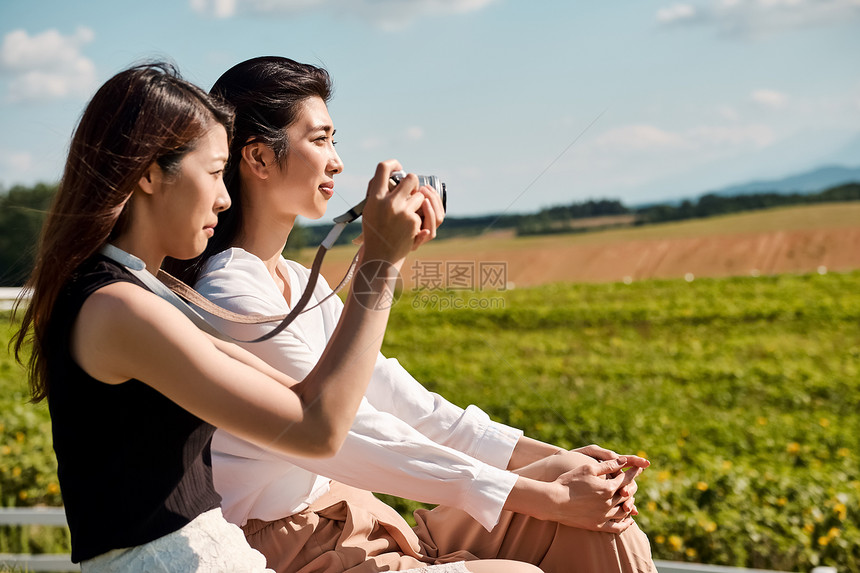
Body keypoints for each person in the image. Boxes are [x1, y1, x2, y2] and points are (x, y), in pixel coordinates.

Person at [11, 61, 527, 573]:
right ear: (149, 174)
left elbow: (308, 401)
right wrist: (377, 265)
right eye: (214, 173)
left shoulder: (142, 290)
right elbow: (319, 429)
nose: (224, 196)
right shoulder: (120, 308)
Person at [171, 56, 657, 573]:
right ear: (259, 159)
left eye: (336, 141)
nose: (336, 162)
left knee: (608, 526)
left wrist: (547, 460)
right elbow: (354, 438)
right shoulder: (230, 294)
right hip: (299, 550)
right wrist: (544, 496)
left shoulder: (297, 281)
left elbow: (409, 405)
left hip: (367, 523)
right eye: (319, 140)